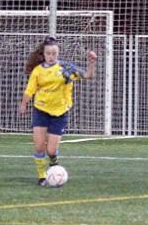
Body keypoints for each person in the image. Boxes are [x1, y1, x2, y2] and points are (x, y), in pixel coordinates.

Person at [17, 36, 97, 187]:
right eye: (49, 53)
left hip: (59, 113)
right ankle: (42, 176)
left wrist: (91, 63)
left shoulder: (65, 69)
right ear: (44, 54)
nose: (52, 56)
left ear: (58, 53)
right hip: (41, 110)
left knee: (51, 150)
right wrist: (23, 104)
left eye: (54, 53)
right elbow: (30, 90)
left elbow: (87, 76)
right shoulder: (38, 71)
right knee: (39, 146)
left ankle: (54, 165)